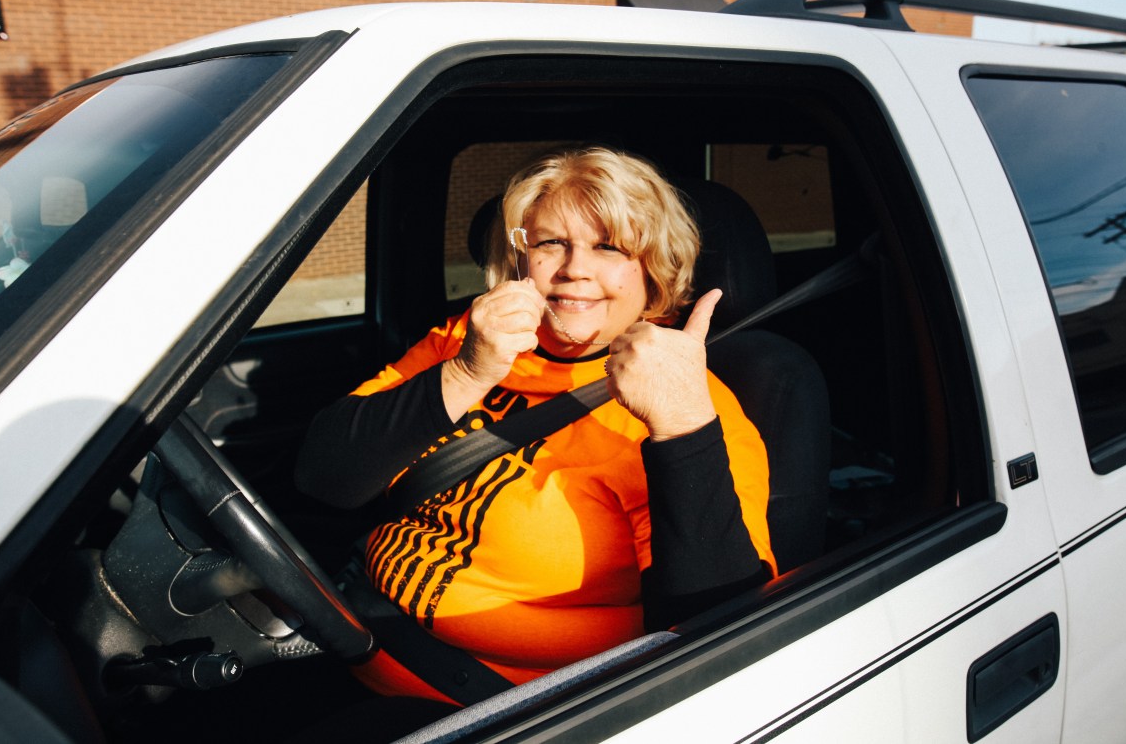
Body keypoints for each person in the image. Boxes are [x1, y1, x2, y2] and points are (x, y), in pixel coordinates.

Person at [295, 145, 775, 706]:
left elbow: (715, 634)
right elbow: (323, 477)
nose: (575, 270)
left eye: (610, 247)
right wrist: (467, 373)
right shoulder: (470, 340)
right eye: (551, 243)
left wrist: (682, 427)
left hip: (491, 702)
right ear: (521, 259)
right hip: (352, 627)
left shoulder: (686, 406)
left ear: (655, 270)